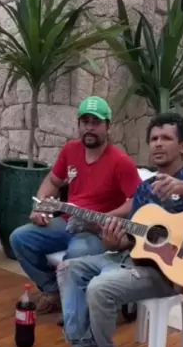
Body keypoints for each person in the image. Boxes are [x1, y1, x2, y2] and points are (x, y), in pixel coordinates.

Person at [45, 111, 183, 347]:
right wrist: (113, 241)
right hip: (133, 261)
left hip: (167, 273)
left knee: (100, 288)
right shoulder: (144, 190)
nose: (158, 144)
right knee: (68, 268)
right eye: (154, 139)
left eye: (166, 138)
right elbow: (134, 239)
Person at [9, 96, 141, 315]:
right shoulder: (71, 150)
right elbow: (53, 181)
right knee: (20, 238)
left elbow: (137, 200)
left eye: (96, 122)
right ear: (79, 124)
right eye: (85, 122)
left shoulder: (121, 162)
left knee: (76, 254)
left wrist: (106, 217)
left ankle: (74, 309)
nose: (89, 128)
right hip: (67, 223)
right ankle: (53, 291)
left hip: (96, 232)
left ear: (108, 127)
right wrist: (40, 207)